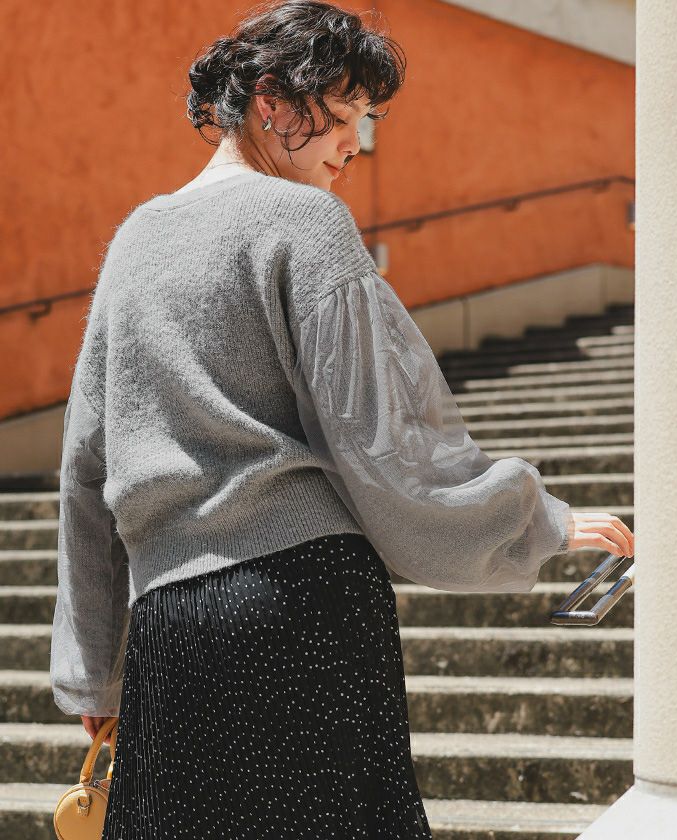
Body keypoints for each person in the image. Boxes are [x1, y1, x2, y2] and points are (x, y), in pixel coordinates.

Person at [50, 1, 635, 837]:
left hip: (172, 626)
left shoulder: (133, 241)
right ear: (270, 102)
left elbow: (85, 470)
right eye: (345, 114)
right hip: (304, 606)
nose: (355, 144)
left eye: (365, 120)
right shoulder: (306, 222)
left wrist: (94, 673)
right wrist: (536, 517)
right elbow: (386, 443)